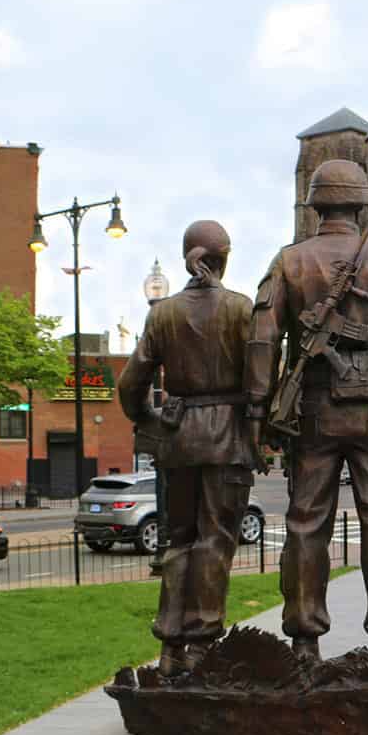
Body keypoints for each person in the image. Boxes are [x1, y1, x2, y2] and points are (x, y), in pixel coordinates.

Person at [246, 159, 368, 661]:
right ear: (360, 203)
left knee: (306, 521)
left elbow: (262, 342)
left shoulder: (290, 261)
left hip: (313, 409)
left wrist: (258, 409)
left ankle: (304, 639)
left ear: (315, 204)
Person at [117, 220, 255, 676]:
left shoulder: (163, 314)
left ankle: (171, 648)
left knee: (179, 541)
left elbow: (131, 383)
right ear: (223, 257)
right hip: (226, 439)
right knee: (215, 541)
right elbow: (262, 382)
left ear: (187, 258)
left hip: (177, 439)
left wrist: (150, 420)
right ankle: (200, 644)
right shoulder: (240, 309)